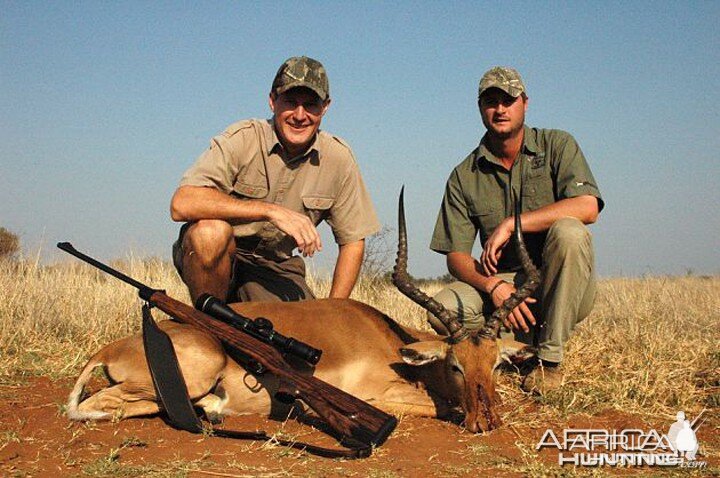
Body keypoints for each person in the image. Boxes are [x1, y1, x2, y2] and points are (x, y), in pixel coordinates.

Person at [429, 66, 604, 394]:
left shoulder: (557, 144)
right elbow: (456, 257)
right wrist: (492, 285)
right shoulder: (463, 174)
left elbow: (588, 207)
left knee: (570, 231)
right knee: (444, 311)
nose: (500, 109)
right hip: (506, 286)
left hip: (561, 282)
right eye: (491, 102)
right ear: (481, 108)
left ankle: (549, 363)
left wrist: (513, 224)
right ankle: (515, 346)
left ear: (525, 102)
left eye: (508, 100)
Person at [170, 56, 380, 304]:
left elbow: (353, 240)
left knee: (305, 338)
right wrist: (270, 212)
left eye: (311, 105)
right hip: (223, 254)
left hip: (275, 268)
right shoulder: (243, 138)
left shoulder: (339, 158)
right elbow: (181, 204)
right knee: (210, 233)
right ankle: (207, 325)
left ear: (325, 107)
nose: (300, 115)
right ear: (272, 101)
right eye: (290, 102)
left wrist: (334, 310)